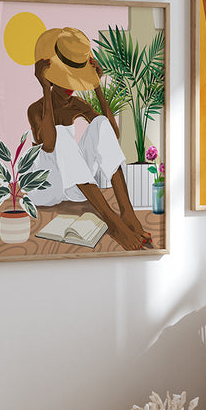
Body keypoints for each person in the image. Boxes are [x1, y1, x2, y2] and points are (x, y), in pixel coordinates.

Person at [27, 27, 151, 251]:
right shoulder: (35, 109)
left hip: (74, 185)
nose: (68, 86)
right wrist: (45, 90)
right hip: (47, 189)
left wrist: (97, 89)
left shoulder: (77, 105)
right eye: (63, 78)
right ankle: (112, 222)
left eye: (73, 79)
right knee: (64, 140)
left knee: (100, 122)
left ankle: (127, 211)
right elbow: (49, 144)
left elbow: (111, 135)